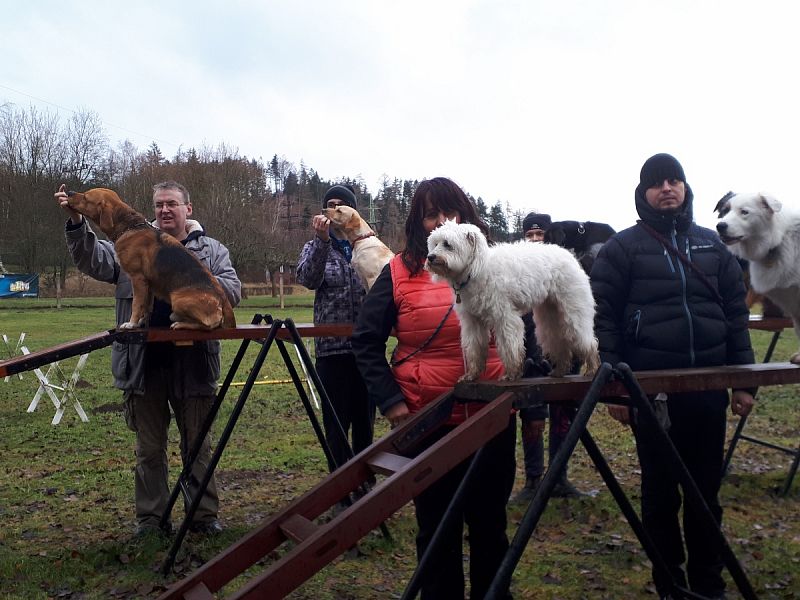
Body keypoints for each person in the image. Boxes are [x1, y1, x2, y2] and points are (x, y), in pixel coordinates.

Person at [590, 153, 756, 599]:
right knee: (660, 495)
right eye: (657, 183)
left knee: (705, 494)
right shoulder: (621, 249)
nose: (668, 188)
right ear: (643, 193)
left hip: (706, 390)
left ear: (684, 188)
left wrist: (743, 381)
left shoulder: (712, 245)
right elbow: (603, 320)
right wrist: (617, 393)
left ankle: (709, 583)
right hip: (650, 395)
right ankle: (669, 582)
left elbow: (736, 313)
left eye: (674, 180)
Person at [352, 177, 516, 600]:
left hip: (491, 417)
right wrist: (392, 404)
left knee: (490, 526)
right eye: (431, 213)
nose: (441, 220)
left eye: (450, 211)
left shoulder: (499, 268)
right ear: (419, 223)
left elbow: (524, 333)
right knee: (437, 528)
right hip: (427, 421)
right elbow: (366, 341)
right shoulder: (398, 271)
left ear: (465, 217)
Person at [54, 181, 241, 537]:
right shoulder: (128, 243)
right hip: (144, 362)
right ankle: (151, 521)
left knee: (198, 443)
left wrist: (185, 271)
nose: (165, 210)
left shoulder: (212, 249)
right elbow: (92, 260)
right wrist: (78, 224)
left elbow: (233, 292)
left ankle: (203, 518)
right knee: (149, 449)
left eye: (172, 204)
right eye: (159, 205)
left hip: (195, 362)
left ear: (189, 209)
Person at [296, 184, 374, 475]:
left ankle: (365, 485)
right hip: (331, 351)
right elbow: (307, 279)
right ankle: (339, 490)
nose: (332, 210)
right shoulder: (316, 246)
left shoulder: (368, 244)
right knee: (336, 425)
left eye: (340, 205)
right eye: (329, 204)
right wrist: (321, 241)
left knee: (365, 423)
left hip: (366, 351)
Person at [512, 212, 584, 503]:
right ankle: (533, 480)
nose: (534, 239)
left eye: (539, 234)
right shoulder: (515, 273)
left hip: (563, 354)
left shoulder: (564, 268)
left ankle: (559, 477)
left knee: (564, 416)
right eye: (529, 235)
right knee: (532, 418)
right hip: (530, 357)